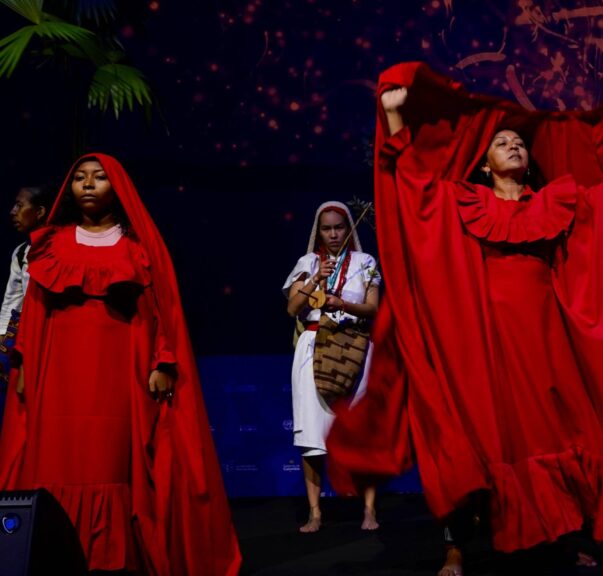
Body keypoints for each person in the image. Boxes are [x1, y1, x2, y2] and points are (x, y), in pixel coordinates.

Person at [324, 63, 603, 575]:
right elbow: (415, 188)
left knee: (559, 434)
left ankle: (565, 534)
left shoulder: (552, 202)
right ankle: (456, 546)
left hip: (546, 336)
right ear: (483, 163)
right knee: (477, 436)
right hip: (485, 341)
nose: (513, 145)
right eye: (502, 141)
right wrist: (395, 119)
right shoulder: (466, 200)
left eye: (519, 143)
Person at [0, 154, 242, 574]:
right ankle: (54, 552)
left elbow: (160, 309)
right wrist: (22, 366)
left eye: (98, 178)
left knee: (109, 462)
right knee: (56, 460)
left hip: (117, 376)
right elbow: (33, 311)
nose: (87, 184)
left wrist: (163, 362)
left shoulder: (137, 246)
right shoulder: (50, 244)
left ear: (118, 188)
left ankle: (109, 560)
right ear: (69, 188)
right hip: (57, 374)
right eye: (79, 177)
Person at [283, 201, 380, 533]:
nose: (335, 233)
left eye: (339, 226)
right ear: (318, 231)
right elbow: (293, 308)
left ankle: (369, 510)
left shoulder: (365, 262)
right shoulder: (307, 262)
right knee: (312, 434)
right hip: (314, 346)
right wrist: (314, 281)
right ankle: (315, 512)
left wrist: (344, 303)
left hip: (354, 348)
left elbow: (373, 309)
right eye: (327, 228)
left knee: (361, 432)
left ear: (347, 226)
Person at [0, 185, 53, 408]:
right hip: (24, 337)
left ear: (40, 212)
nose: (13, 211)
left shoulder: (59, 249)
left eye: (20, 206)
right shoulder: (21, 252)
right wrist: (2, 339)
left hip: (51, 336)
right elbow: (12, 300)